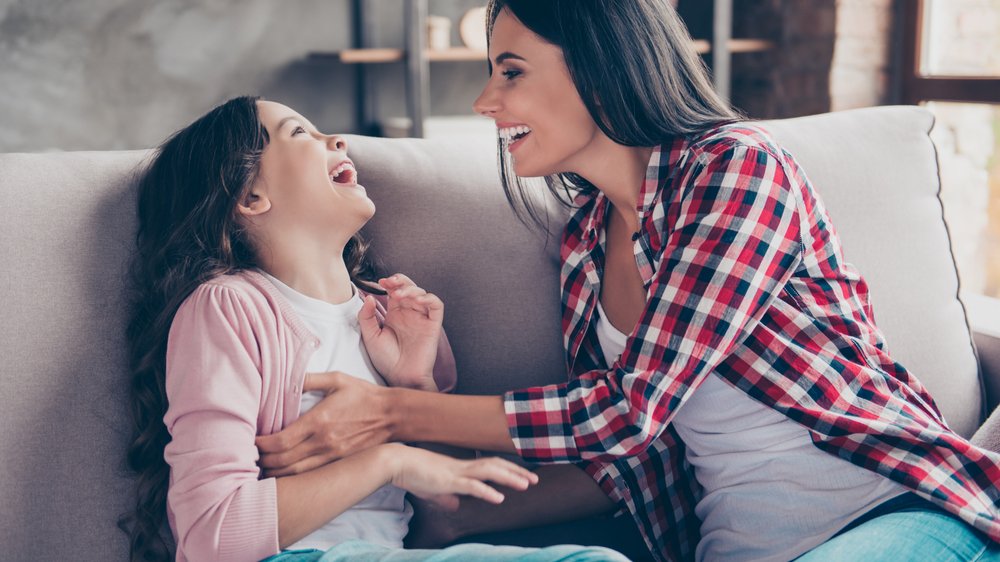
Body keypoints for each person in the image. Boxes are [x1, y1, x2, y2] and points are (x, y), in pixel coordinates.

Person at [252, 1, 1000, 561]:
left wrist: (388, 416)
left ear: (600, 61)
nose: (485, 102)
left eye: (511, 71)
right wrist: (454, 512)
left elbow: (627, 411)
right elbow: (630, 460)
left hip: (896, 513)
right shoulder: (582, 249)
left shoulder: (736, 168)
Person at [121, 95, 629, 562]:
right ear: (250, 196)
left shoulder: (388, 315)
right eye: (300, 133)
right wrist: (389, 461)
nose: (336, 140)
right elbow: (211, 536)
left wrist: (414, 383)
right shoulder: (229, 308)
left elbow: (449, 509)